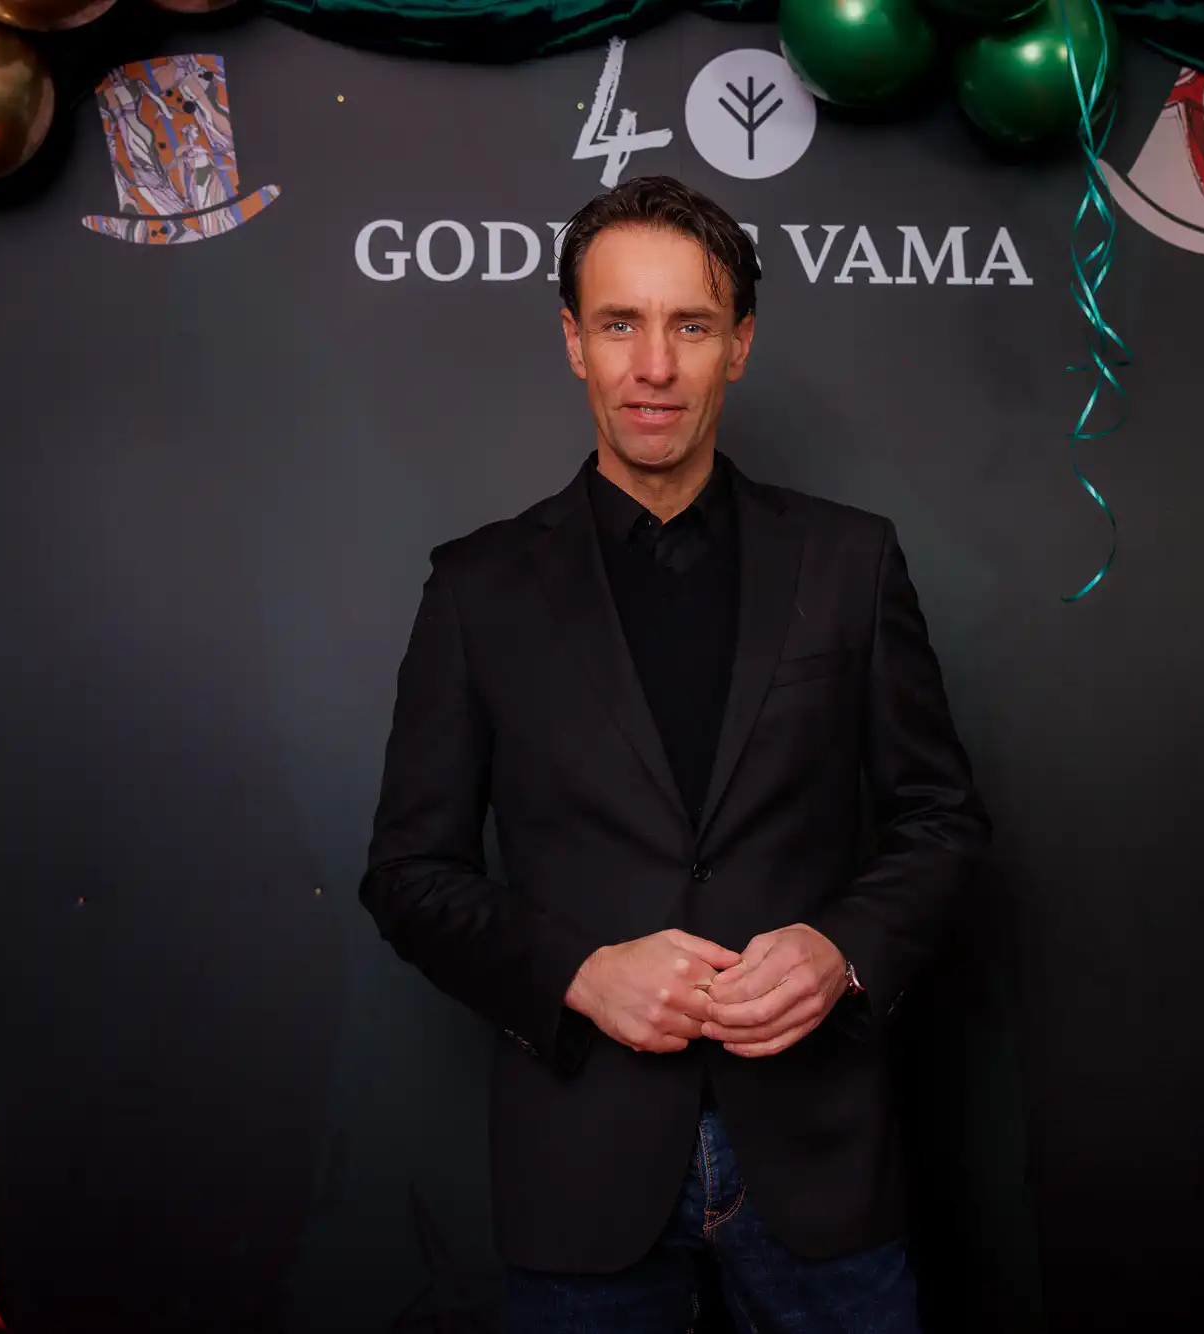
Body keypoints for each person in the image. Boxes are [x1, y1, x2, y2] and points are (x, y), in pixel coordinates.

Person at [360, 175, 990, 1333]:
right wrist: (576, 970)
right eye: (620, 324)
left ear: (737, 345)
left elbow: (941, 820)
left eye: (689, 326)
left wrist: (842, 948)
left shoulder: (849, 562)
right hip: (579, 1170)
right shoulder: (476, 588)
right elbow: (407, 873)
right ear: (573, 341)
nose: (652, 366)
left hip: (822, 1160)